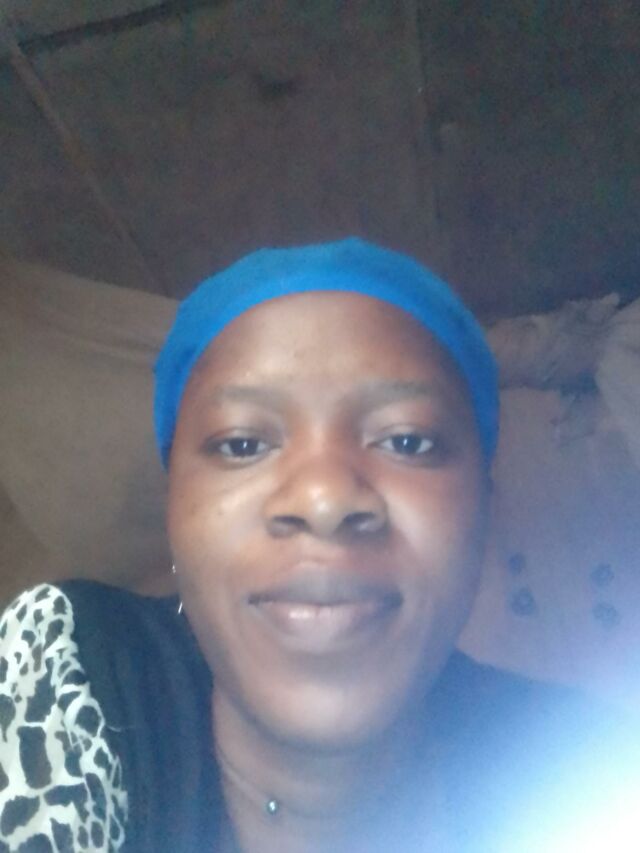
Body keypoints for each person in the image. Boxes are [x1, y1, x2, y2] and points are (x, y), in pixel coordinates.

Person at [0, 239, 635, 852]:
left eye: (407, 441)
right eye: (242, 444)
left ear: (483, 510)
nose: (325, 500)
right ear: (173, 516)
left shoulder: (593, 770)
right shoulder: (70, 671)